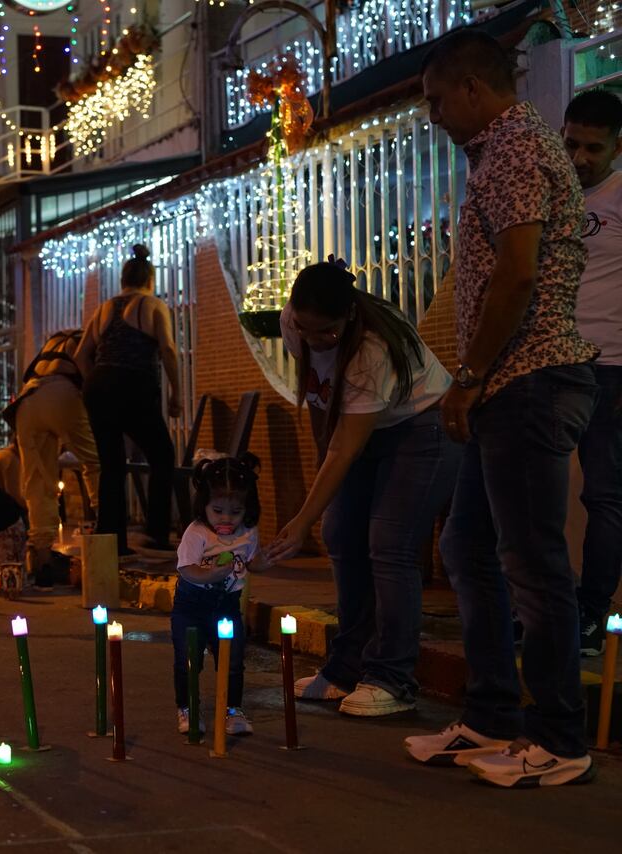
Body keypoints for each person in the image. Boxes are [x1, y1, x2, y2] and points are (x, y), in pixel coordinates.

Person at [405, 31, 599, 788]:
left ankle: (559, 738)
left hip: (528, 378)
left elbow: (516, 278)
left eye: (433, 100)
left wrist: (471, 376)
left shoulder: (516, 151)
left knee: (532, 563)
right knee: (468, 549)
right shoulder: (498, 153)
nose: (431, 117)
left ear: (473, 90)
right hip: (510, 384)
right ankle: (491, 717)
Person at [265, 261, 460, 717]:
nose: (315, 341)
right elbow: (322, 408)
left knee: (389, 545)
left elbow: (345, 448)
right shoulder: (293, 323)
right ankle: (346, 667)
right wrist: (319, 507)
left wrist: (301, 520)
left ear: (348, 315)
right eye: (306, 329)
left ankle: (392, 677)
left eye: (326, 333)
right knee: (341, 535)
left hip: (422, 429)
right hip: (362, 434)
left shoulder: (372, 348)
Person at [562, 89, 622, 656]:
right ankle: (544, 608)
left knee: (605, 495)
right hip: (553, 363)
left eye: (594, 148)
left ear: (617, 146)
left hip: (612, 369)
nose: (580, 157)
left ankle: (590, 612)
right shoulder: (552, 192)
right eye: (572, 142)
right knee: (534, 495)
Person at [76, 244, 181, 556]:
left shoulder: (103, 308)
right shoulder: (152, 305)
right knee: (162, 455)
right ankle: (157, 532)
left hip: (99, 384)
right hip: (134, 383)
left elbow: (81, 355)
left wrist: (93, 380)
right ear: (150, 279)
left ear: (123, 280)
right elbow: (168, 350)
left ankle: (113, 540)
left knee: (112, 465)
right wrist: (176, 392)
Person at [171, 455, 268, 737]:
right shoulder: (197, 533)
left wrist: (266, 560)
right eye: (218, 510)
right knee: (189, 658)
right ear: (203, 505)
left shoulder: (248, 533)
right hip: (191, 605)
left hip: (227, 604)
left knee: (233, 658)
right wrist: (210, 575)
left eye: (236, 511)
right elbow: (187, 569)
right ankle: (188, 708)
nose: (227, 519)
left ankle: (232, 710)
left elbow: (250, 562)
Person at [9, 329, 100, 577]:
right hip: (61, 393)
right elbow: (90, 376)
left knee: (37, 481)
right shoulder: (88, 340)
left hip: (28, 398)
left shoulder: (54, 340)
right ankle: (104, 529)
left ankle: (43, 556)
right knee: (94, 463)